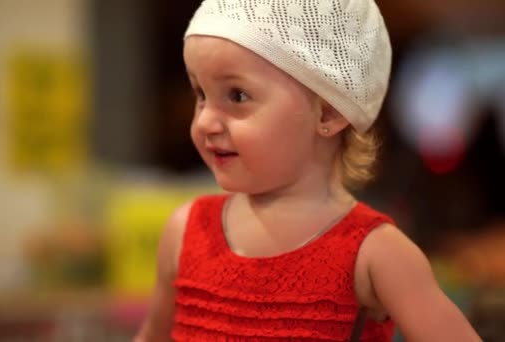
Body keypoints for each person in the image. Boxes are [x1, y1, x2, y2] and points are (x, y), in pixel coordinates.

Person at [135, 0, 481, 341]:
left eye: (237, 96)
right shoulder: (186, 232)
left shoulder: (375, 253)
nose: (206, 121)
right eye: (201, 94)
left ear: (327, 114)